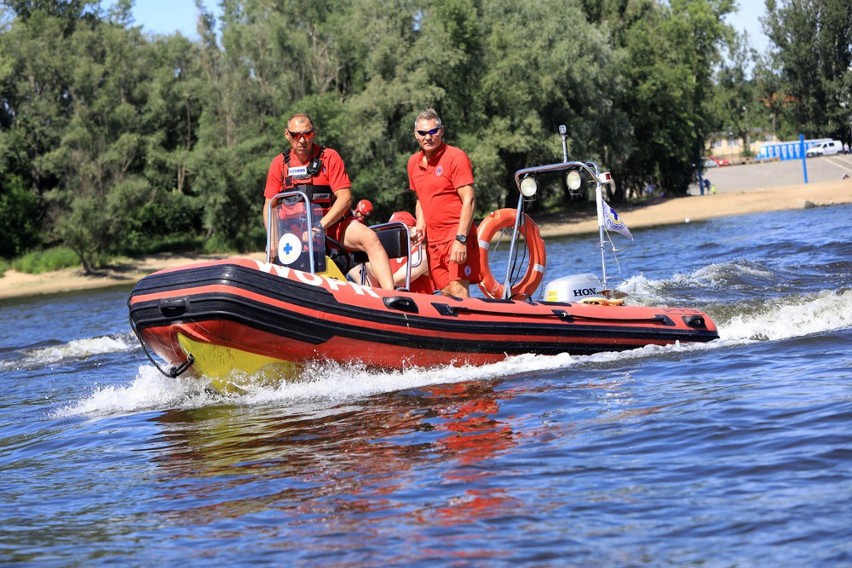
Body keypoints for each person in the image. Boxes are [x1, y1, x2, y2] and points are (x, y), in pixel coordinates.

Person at [263, 113, 395, 290]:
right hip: (294, 233)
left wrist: (319, 227)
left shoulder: (329, 157)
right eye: (296, 135)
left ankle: (390, 296)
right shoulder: (279, 163)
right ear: (287, 135)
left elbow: (345, 198)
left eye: (307, 134)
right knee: (272, 253)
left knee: (370, 238)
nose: (301, 140)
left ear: (313, 133)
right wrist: (272, 240)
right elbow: (269, 205)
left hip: (331, 226)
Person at [407, 108, 480, 298]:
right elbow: (421, 200)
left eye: (433, 131)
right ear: (416, 134)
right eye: (422, 133)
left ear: (442, 131)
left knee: (458, 292)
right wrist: (420, 226)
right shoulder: (413, 162)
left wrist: (461, 239)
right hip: (433, 241)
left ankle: (470, 326)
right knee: (446, 293)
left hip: (455, 236)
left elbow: (469, 200)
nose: (428, 137)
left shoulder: (455, 157)